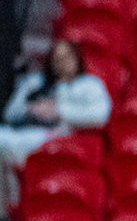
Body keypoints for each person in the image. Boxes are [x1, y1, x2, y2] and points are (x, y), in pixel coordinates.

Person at [0, 39, 112, 167]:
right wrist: (26, 97)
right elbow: (9, 115)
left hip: (61, 140)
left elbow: (101, 115)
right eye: (57, 59)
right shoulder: (38, 83)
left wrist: (58, 111)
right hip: (26, 132)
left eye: (67, 57)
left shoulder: (89, 84)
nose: (63, 63)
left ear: (77, 58)